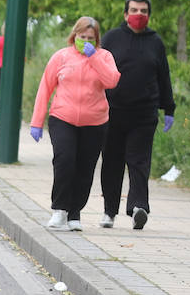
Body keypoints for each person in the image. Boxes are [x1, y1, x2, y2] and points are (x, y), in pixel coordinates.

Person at [29, 16, 121, 233]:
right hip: (63, 118)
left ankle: (74, 213)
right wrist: (36, 122)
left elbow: (112, 81)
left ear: (97, 40)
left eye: (90, 38)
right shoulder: (61, 57)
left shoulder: (104, 56)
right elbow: (45, 88)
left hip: (95, 121)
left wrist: (94, 58)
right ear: (74, 36)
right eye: (82, 37)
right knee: (65, 161)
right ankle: (59, 209)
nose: (85, 41)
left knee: (85, 168)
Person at [100, 0, 176, 230]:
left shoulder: (156, 42)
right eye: (134, 10)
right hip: (113, 112)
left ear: (149, 15)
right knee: (112, 163)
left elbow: (164, 76)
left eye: (143, 11)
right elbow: (99, 70)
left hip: (144, 114)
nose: (139, 15)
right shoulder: (112, 38)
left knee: (139, 161)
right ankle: (109, 211)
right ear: (125, 14)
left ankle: (138, 207)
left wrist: (169, 107)